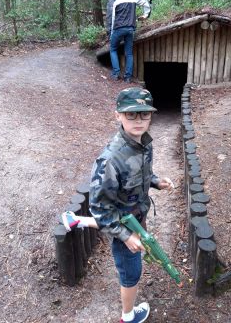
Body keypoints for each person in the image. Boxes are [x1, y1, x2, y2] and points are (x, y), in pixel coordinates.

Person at [62, 87, 174, 323]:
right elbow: (100, 208)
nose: (138, 120)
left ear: (150, 115)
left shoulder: (144, 142)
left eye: (144, 114)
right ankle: (128, 316)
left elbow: (141, 173)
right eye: (131, 114)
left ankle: (75, 220)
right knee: (131, 273)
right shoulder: (110, 159)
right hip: (124, 222)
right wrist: (125, 236)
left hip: (134, 211)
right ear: (118, 115)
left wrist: (155, 181)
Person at [106, 0, 151, 83]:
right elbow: (146, 2)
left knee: (113, 49)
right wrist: (145, 15)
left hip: (118, 29)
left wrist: (109, 32)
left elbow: (110, 17)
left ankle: (116, 73)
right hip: (131, 29)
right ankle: (127, 77)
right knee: (129, 53)